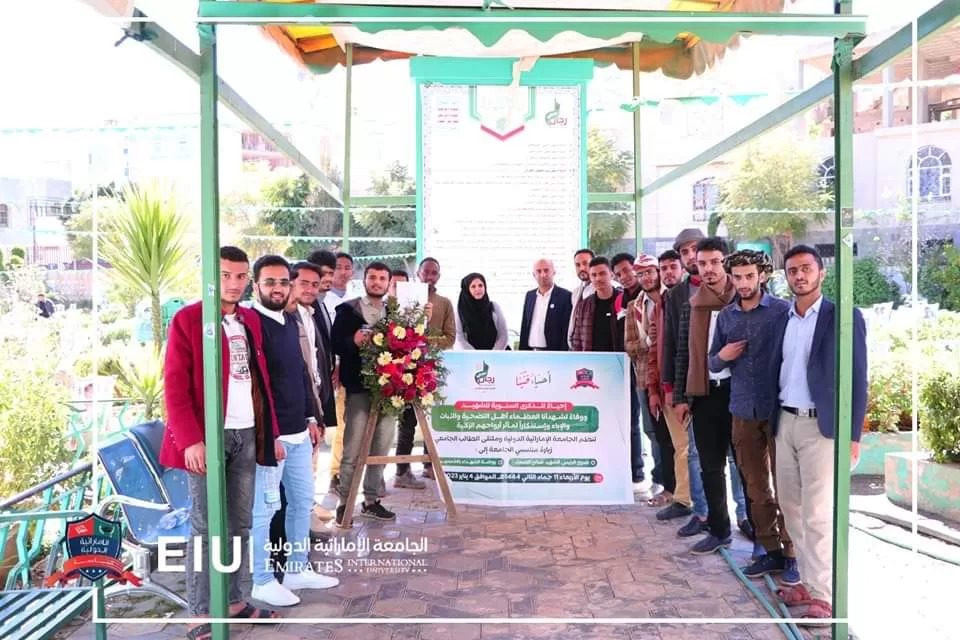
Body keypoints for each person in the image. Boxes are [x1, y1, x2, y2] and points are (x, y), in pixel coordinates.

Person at [160, 246, 284, 639]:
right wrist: (191, 441)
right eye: (226, 275)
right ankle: (200, 611)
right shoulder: (188, 320)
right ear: (211, 277)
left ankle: (234, 601)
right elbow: (175, 388)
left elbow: (262, 381)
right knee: (205, 525)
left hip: (247, 433)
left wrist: (272, 433)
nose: (234, 283)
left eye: (240, 276)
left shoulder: (249, 320)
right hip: (207, 439)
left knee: (241, 524)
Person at [768, 244, 867, 623]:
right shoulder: (782, 318)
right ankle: (807, 583)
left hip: (822, 428)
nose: (799, 276)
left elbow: (858, 377)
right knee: (791, 508)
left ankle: (823, 596)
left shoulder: (843, 317)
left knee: (818, 514)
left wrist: (853, 433)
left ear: (821, 273)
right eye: (792, 270)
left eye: (806, 269)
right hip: (786, 421)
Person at [249, 255, 338, 608]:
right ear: (255, 285)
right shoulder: (252, 323)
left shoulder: (287, 320)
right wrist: (269, 435)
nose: (277, 288)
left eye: (283, 282)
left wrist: (311, 418)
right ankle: (261, 578)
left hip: (299, 432)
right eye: (269, 282)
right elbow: (257, 385)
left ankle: (297, 568)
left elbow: (300, 374)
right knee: (264, 511)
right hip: (273, 437)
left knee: (301, 503)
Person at [708, 250, 796, 580]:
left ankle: (792, 553)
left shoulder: (782, 312)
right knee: (756, 487)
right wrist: (723, 355)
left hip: (779, 410)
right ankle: (770, 549)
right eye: (737, 277)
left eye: (749, 276)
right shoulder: (727, 317)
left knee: (787, 486)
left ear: (762, 275)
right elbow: (712, 363)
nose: (743, 283)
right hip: (742, 410)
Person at [671, 237, 755, 555]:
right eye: (703, 263)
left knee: (745, 463)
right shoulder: (691, 303)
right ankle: (719, 529)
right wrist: (680, 396)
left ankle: (749, 520)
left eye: (715, 262)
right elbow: (683, 354)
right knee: (709, 465)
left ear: (727, 262)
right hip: (705, 394)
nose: (708, 269)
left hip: (741, 394)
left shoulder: (746, 299)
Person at [331, 261, 400, 525]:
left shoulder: (396, 313)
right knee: (353, 448)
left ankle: (371, 501)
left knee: (381, 447)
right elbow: (335, 343)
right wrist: (353, 342)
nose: (377, 282)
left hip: (390, 391)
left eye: (382, 278)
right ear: (365, 280)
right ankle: (345, 502)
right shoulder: (348, 310)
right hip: (359, 389)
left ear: (388, 283)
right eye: (373, 277)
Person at [656, 232, 711, 535]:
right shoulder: (676, 296)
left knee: (727, 457)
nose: (691, 257)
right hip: (688, 385)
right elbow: (672, 347)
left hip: (724, 386)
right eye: (685, 252)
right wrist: (671, 390)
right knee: (690, 452)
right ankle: (699, 511)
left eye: (695, 250)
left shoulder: (729, 286)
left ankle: (741, 516)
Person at [625, 254, 671, 506]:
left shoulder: (671, 299)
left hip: (672, 376)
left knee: (677, 435)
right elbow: (630, 345)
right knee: (652, 431)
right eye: (640, 274)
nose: (646, 277)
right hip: (644, 376)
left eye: (649, 272)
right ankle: (662, 480)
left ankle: (679, 488)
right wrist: (651, 342)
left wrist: (662, 341)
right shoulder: (635, 307)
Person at [389, 269, 429, 490]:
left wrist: (425, 318)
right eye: (394, 285)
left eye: (403, 285)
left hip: (412, 374)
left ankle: (402, 472)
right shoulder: (381, 310)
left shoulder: (415, 309)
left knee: (408, 424)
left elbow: (423, 340)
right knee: (380, 431)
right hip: (385, 376)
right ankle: (371, 482)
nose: (398, 290)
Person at [612, 252, 648, 495]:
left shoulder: (647, 297)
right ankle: (627, 469)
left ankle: (639, 471)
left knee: (647, 424)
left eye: (626, 270)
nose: (624, 277)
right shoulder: (618, 300)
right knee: (628, 419)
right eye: (619, 274)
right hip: (623, 367)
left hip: (646, 367)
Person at [570, 257, 622, 353]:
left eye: (602, 273)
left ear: (612, 275)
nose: (598, 278)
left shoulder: (624, 300)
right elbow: (577, 340)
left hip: (620, 361)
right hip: (592, 362)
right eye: (594, 275)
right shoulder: (583, 305)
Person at [518, 258, 572, 351]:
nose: (543, 275)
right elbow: (525, 326)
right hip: (530, 352)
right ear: (534, 275)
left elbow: (566, 329)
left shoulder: (565, 296)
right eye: (539, 271)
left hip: (553, 354)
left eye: (546, 270)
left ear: (554, 272)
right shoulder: (529, 296)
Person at [455, 272, 510, 350]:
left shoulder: (494, 307)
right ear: (467, 290)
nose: (478, 289)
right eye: (473, 286)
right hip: (470, 358)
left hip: (496, 355)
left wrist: (493, 354)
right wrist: (476, 356)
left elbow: (503, 335)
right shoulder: (459, 311)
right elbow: (458, 339)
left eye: (480, 285)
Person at [567, 248, 596, 349]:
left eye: (585, 263)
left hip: (596, 350)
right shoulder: (575, 292)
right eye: (577, 265)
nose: (581, 268)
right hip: (576, 350)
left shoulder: (603, 290)